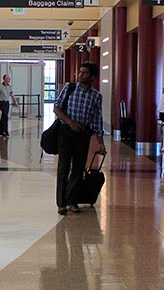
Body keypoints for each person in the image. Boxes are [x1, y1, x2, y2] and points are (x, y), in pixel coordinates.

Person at [52, 61, 105, 216]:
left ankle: (72, 200)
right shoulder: (70, 89)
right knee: (63, 167)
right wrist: (70, 122)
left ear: (93, 77)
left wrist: (100, 143)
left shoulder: (96, 96)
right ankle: (61, 203)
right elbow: (57, 108)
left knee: (78, 169)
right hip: (66, 132)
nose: (80, 75)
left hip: (83, 135)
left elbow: (97, 119)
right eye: (80, 72)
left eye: (84, 73)